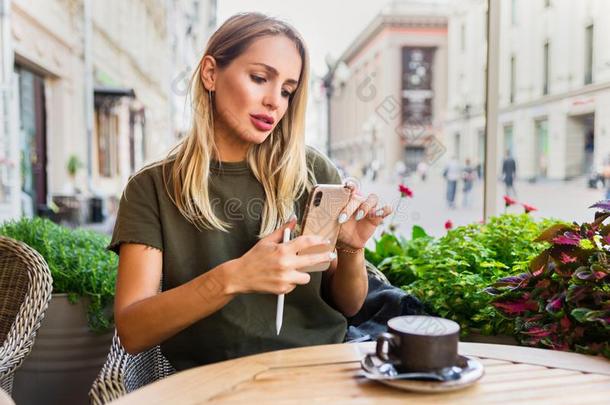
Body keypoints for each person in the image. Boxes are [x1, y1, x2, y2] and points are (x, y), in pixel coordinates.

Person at [109, 13, 393, 372]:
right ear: (211, 73)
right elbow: (133, 330)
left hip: (320, 372)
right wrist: (236, 277)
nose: (275, 101)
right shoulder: (151, 188)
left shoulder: (312, 172)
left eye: (288, 90)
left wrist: (351, 249)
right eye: (260, 78)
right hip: (213, 383)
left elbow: (349, 305)